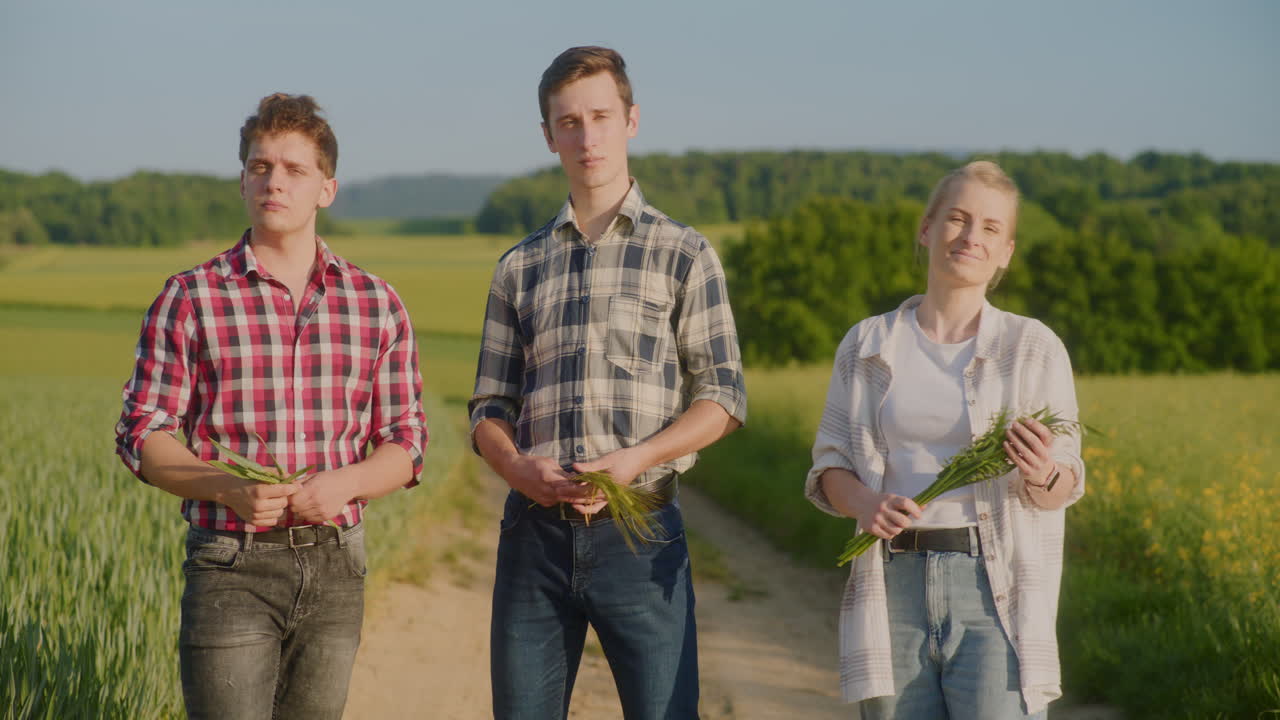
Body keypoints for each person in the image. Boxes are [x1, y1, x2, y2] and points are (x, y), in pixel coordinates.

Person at [115, 93, 428, 720]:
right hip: (230, 560)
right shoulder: (191, 297)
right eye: (260, 167)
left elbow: (406, 440)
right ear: (242, 181)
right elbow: (142, 434)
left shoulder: (376, 303)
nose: (274, 182)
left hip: (338, 558)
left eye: (294, 169)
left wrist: (346, 483)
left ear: (326, 189)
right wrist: (228, 487)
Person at [469, 46, 748, 719]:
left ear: (631, 120)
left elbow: (723, 396)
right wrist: (516, 468)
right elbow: (489, 406)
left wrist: (639, 459)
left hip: (641, 532)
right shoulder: (519, 266)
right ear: (548, 135)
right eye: (568, 122)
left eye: (600, 117)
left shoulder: (684, 253)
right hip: (534, 538)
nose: (586, 137)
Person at [805, 161, 1085, 719]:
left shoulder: (1033, 347)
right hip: (893, 585)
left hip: (997, 588)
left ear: (1006, 251)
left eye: (990, 227)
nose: (970, 236)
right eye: (957, 218)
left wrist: (1042, 472)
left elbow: (1067, 480)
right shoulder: (867, 343)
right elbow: (829, 466)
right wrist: (865, 503)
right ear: (927, 228)